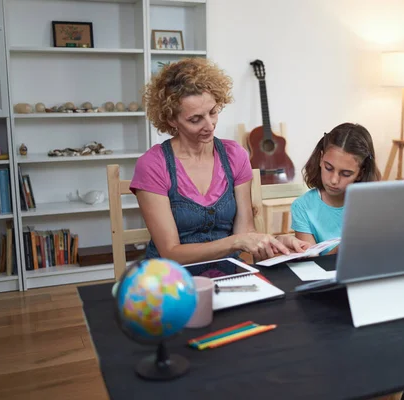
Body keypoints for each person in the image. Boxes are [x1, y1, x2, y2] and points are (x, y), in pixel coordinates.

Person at [130, 58, 310, 264]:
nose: (210, 125)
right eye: (195, 119)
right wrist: (234, 243)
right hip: (173, 280)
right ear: (171, 120)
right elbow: (171, 253)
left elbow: (246, 233)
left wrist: (277, 242)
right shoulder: (153, 165)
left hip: (229, 273)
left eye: (213, 112)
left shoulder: (235, 155)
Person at [290, 122, 381, 254]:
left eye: (346, 174)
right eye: (328, 168)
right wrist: (344, 247)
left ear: (361, 173)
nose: (334, 180)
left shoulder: (372, 205)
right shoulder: (303, 207)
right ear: (321, 159)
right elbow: (310, 264)